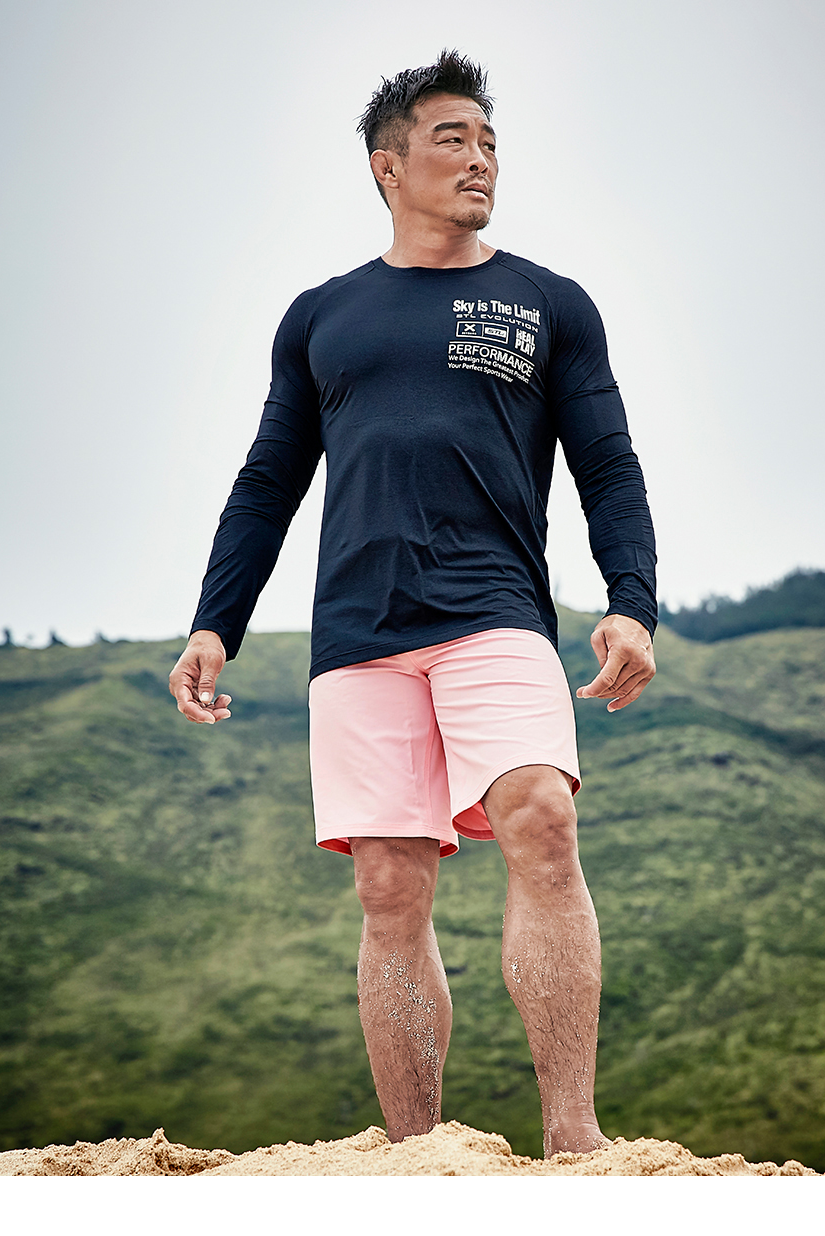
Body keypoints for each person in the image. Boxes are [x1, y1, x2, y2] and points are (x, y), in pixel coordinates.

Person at [169, 50, 657, 1158]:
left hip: (496, 611)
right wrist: (214, 624)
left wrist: (632, 599)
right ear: (388, 167)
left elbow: (609, 465)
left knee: (541, 817)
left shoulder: (548, 304)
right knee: (390, 884)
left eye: (489, 141)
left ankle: (574, 1140)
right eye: (452, 139)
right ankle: (418, 1157)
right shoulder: (321, 317)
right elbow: (268, 481)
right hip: (357, 633)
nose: (480, 158)